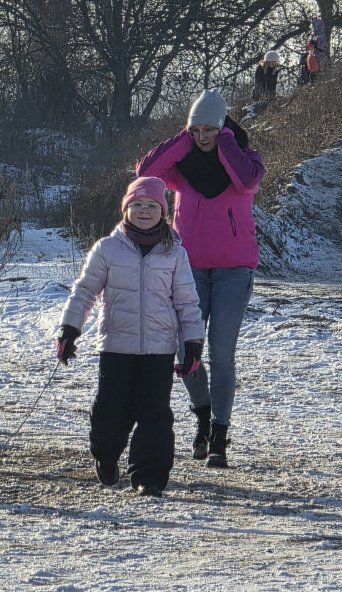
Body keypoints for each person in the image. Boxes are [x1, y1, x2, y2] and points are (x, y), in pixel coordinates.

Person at [136, 89, 265, 469]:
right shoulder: (183, 169)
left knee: (222, 356)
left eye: (210, 129)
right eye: (197, 130)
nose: (202, 136)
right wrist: (184, 136)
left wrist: (225, 140)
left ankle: (220, 435)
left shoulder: (248, 161)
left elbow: (246, 182)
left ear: (224, 129)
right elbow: (146, 172)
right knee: (184, 351)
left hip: (233, 273)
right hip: (189, 271)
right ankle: (203, 417)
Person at [56, 177, 205, 497]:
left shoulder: (174, 253)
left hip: (159, 348)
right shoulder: (107, 249)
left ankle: (148, 476)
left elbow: (187, 303)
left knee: (155, 413)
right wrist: (69, 329)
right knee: (111, 408)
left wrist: (193, 343)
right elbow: (84, 292)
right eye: (137, 204)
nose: (144, 211)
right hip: (116, 346)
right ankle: (106, 455)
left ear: (163, 212)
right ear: (126, 209)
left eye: (151, 205)